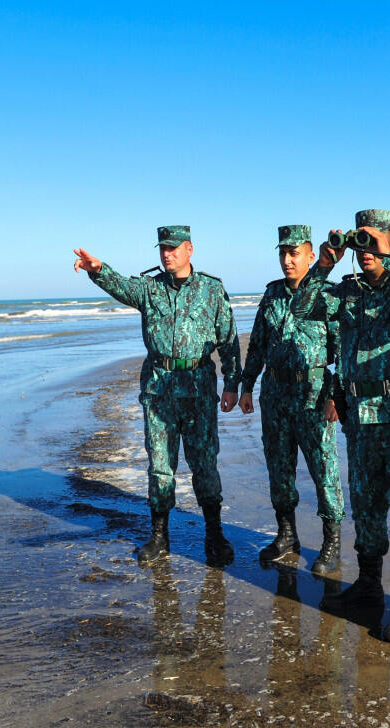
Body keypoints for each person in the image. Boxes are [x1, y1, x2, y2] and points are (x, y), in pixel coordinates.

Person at [292, 209, 390, 643]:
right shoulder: (348, 292)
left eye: (375, 241)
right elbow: (302, 307)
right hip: (362, 421)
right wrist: (325, 262)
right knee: (369, 510)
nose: (367, 251)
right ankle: (369, 586)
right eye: (364, 242)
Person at [73, 225, 241, 567]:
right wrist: (98, 270)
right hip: (159, 390)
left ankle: (214, 534)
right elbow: (121, 286)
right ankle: (160, 537)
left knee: (204, 465)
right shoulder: (149, 289)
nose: (167, 254)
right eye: (162, 248)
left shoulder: (212, 290)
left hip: (199, 390)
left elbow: (229, 340)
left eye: (173, 248)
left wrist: (233, 384)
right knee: (161, 467)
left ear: (189, 249)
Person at [239, 225, 345, 575]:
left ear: (311, 256)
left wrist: (337, 395)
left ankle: (331, 541)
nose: (287, 260)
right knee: (279, 468)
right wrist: (246, 386)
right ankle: (287, 534)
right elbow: (257, 345)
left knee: (323, 469)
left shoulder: (329, 295)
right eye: (283, 253)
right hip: (275, 393)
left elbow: (343, 349)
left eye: (294, 253)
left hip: (314, 393)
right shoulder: (271, 295)